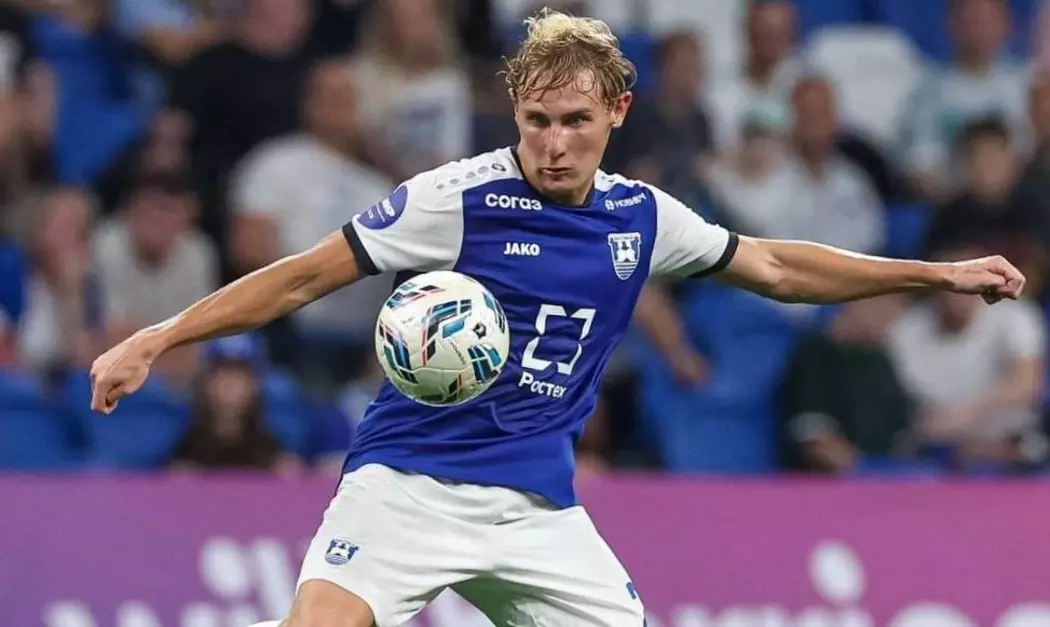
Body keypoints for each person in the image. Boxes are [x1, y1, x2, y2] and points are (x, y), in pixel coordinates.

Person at [90, 10, 1026, 627]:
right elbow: (301, 278)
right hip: (406, 484)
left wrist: (933, 273)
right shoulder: (455, 198)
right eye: (536, 120)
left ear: (616, 111)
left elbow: (776, 266)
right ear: (515, 112)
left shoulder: (643, 217)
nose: (552, 142)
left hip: (537, 507)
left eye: (575, 120)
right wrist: (158, 336)